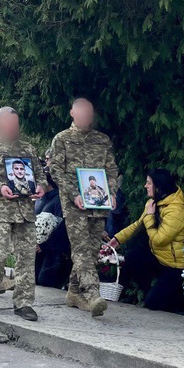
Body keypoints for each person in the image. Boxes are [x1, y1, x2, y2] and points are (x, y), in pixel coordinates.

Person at [0, 107, 44, 321]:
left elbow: (40, 175)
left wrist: (39, 186)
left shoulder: (28, 149)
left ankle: (24, 303)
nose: (12, 128)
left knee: (26, 258)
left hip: (25, 213)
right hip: (0, 211)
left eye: (15, 124)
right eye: (8, 125)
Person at [50, 97, 119, 317]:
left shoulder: (102, 140)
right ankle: (92, 293)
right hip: (74, 204)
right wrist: (73, 194)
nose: (86, 117)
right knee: (80, 248)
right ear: (72, 113)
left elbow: (111, 170)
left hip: (98, 203)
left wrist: (112, 192)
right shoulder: (62, 139)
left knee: (90, 250)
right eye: (81, 112)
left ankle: (73, 292)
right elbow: (56, 171)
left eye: (89, 113)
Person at [108, 168, 184, 312]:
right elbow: (137, 225)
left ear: (158, 186)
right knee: (133, 257)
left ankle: (175, 297)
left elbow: (159, 239)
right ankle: (150, 291)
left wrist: (150, 216)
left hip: (173, 265)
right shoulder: (155, 202)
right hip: (158, 256)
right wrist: (116, 240)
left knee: (155, 304)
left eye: (148, 183)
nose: (145, 186)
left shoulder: (177, 210)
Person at [34, 152, 72, 289]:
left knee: (45, 281)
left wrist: (44, 245)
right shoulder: (40, 199)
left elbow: (63, 227)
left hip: (54, 251)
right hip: (37, 249)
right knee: (35, 280)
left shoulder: (59, 200)